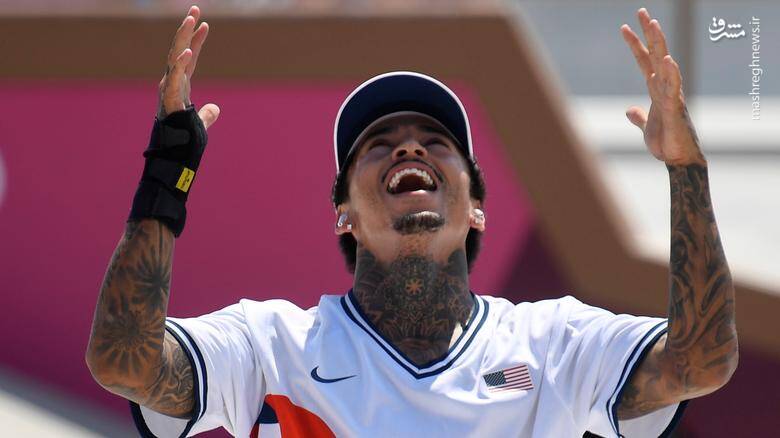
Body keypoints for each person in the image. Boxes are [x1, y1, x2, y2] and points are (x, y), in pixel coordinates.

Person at [85, 5, 738, 437]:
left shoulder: (553, 344)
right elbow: (123, 363)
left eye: (436, 141)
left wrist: (687, 169)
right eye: (379, 143)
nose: (408, 148)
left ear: (476, 208)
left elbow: (700, 362)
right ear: (343, 215)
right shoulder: (272, 347)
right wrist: (168, 174)